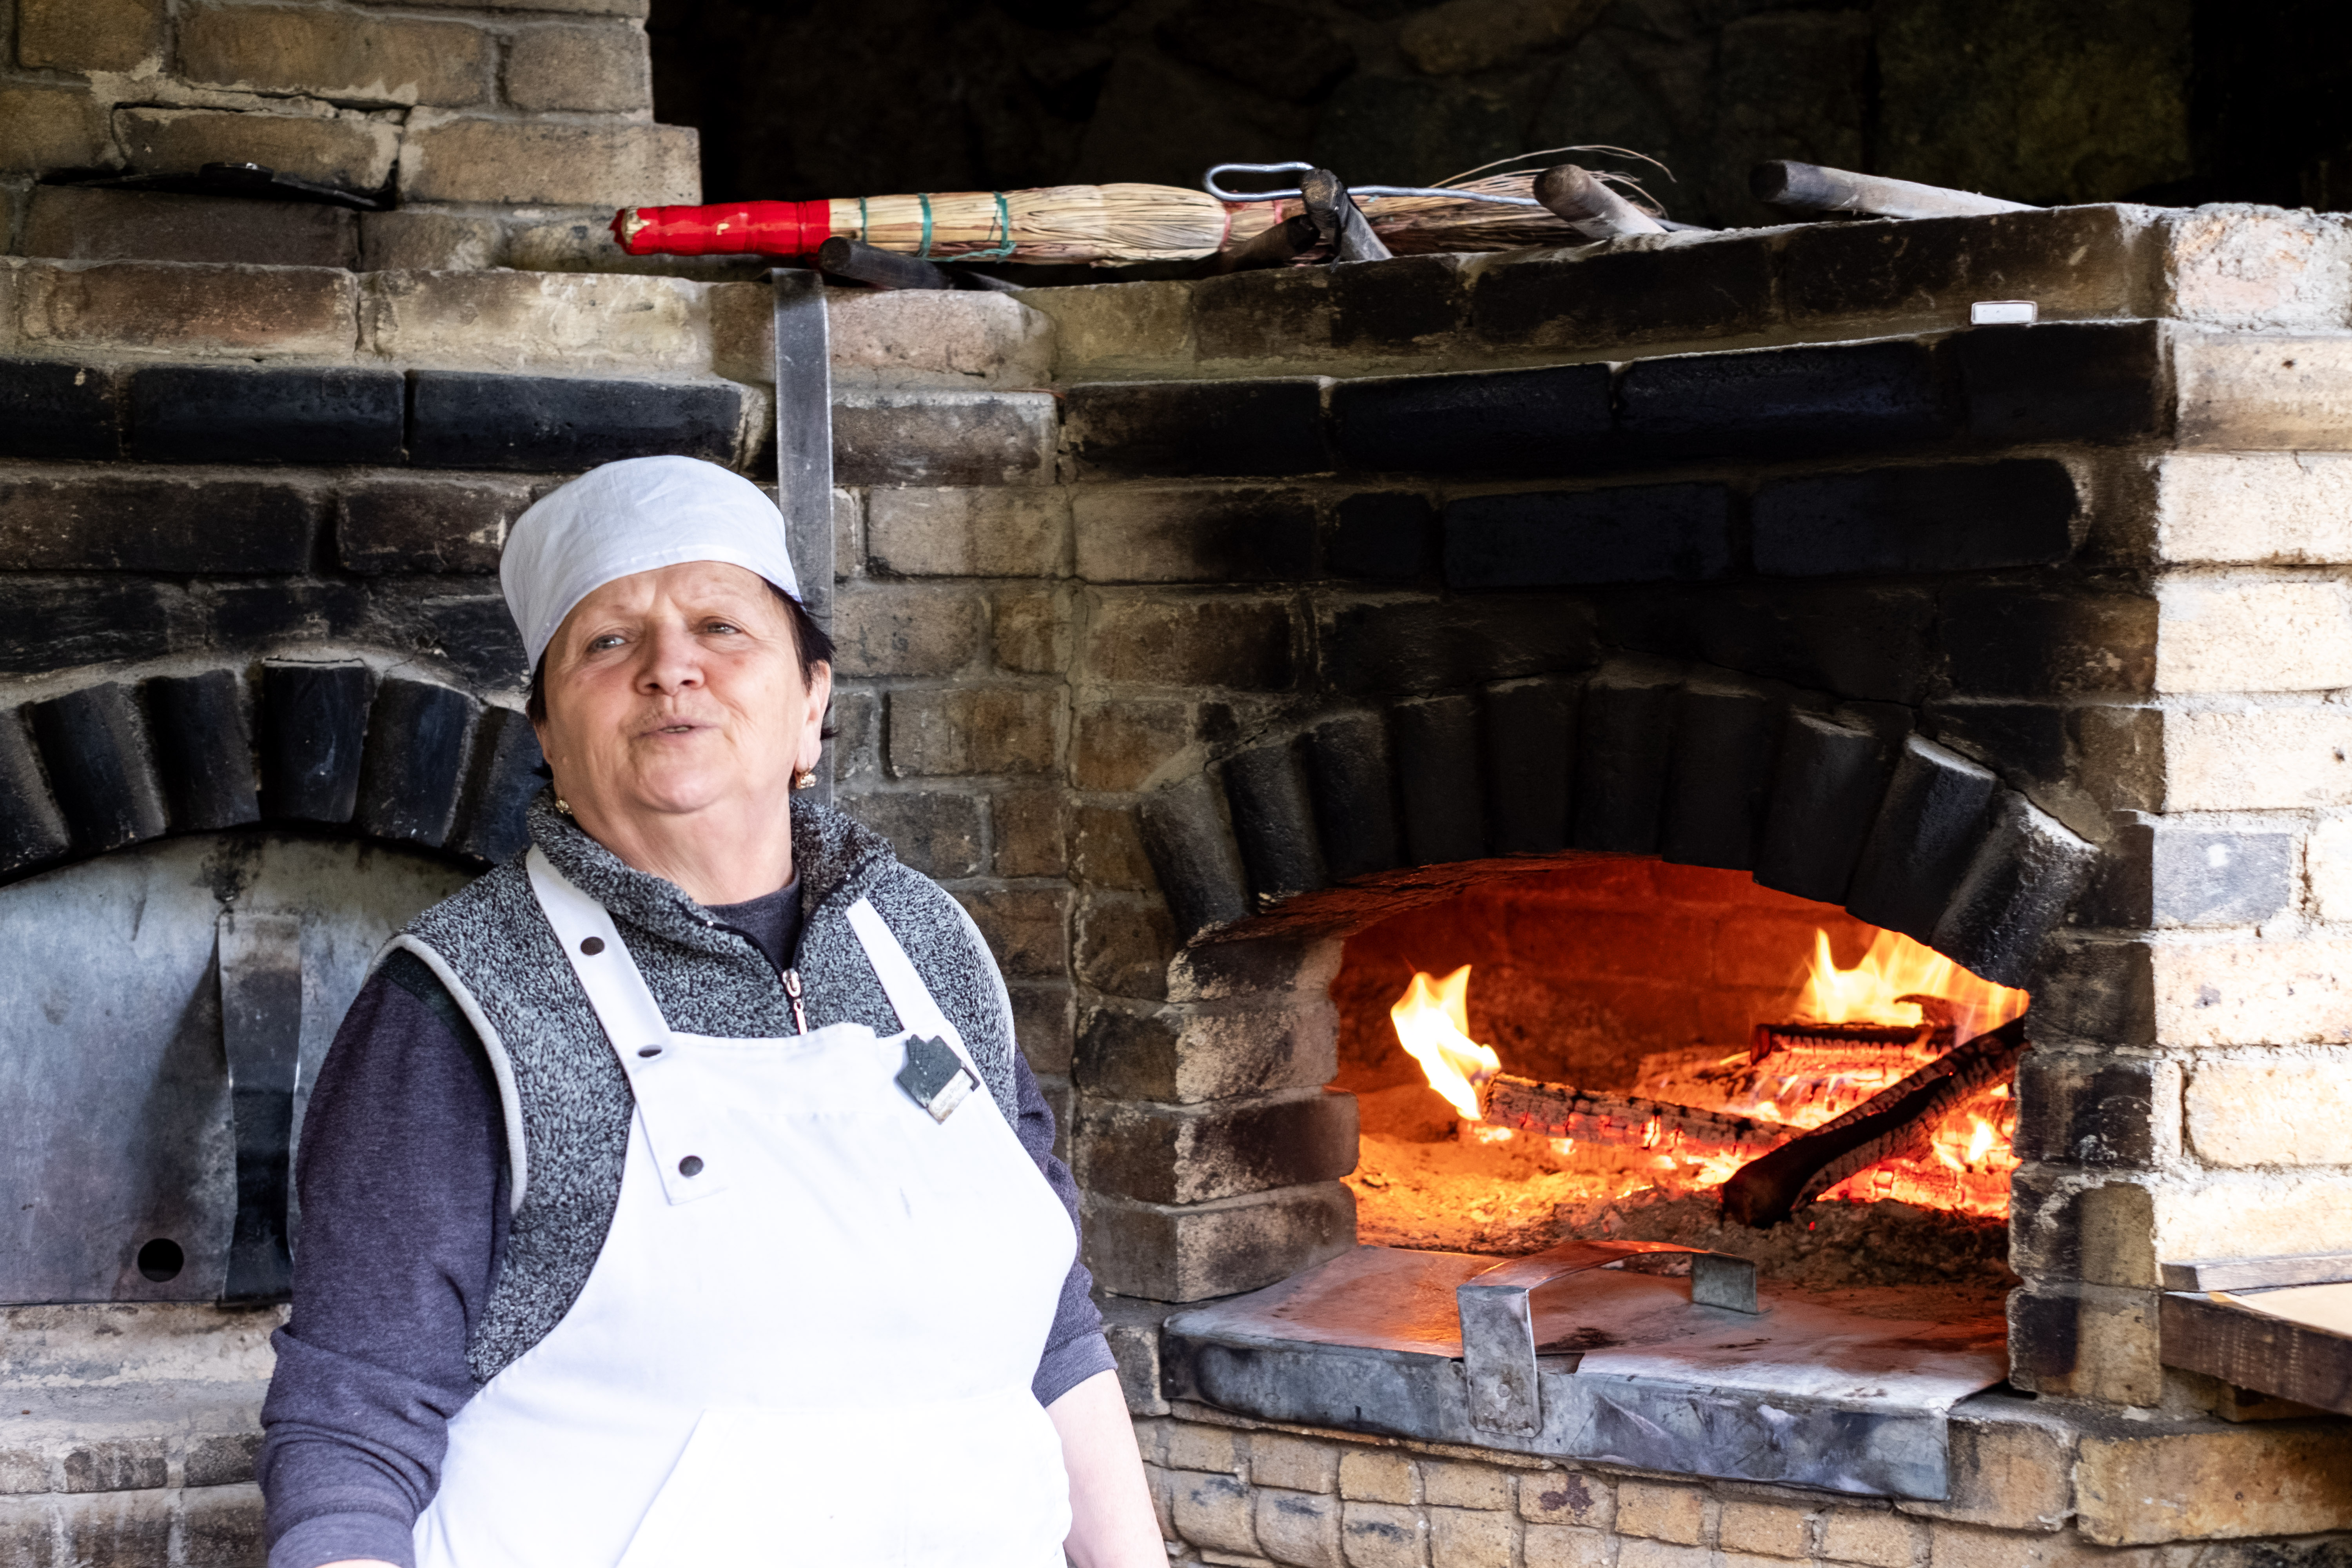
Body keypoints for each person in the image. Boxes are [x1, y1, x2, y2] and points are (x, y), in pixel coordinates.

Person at [256, 456, 1164, 1568]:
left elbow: (1052, 1333)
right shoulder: (456, 1003)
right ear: (545, 733)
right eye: (608, 641)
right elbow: (352, 1427)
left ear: (812, 703)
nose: (670, 669)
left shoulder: (926, 945)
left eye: (721, 628)